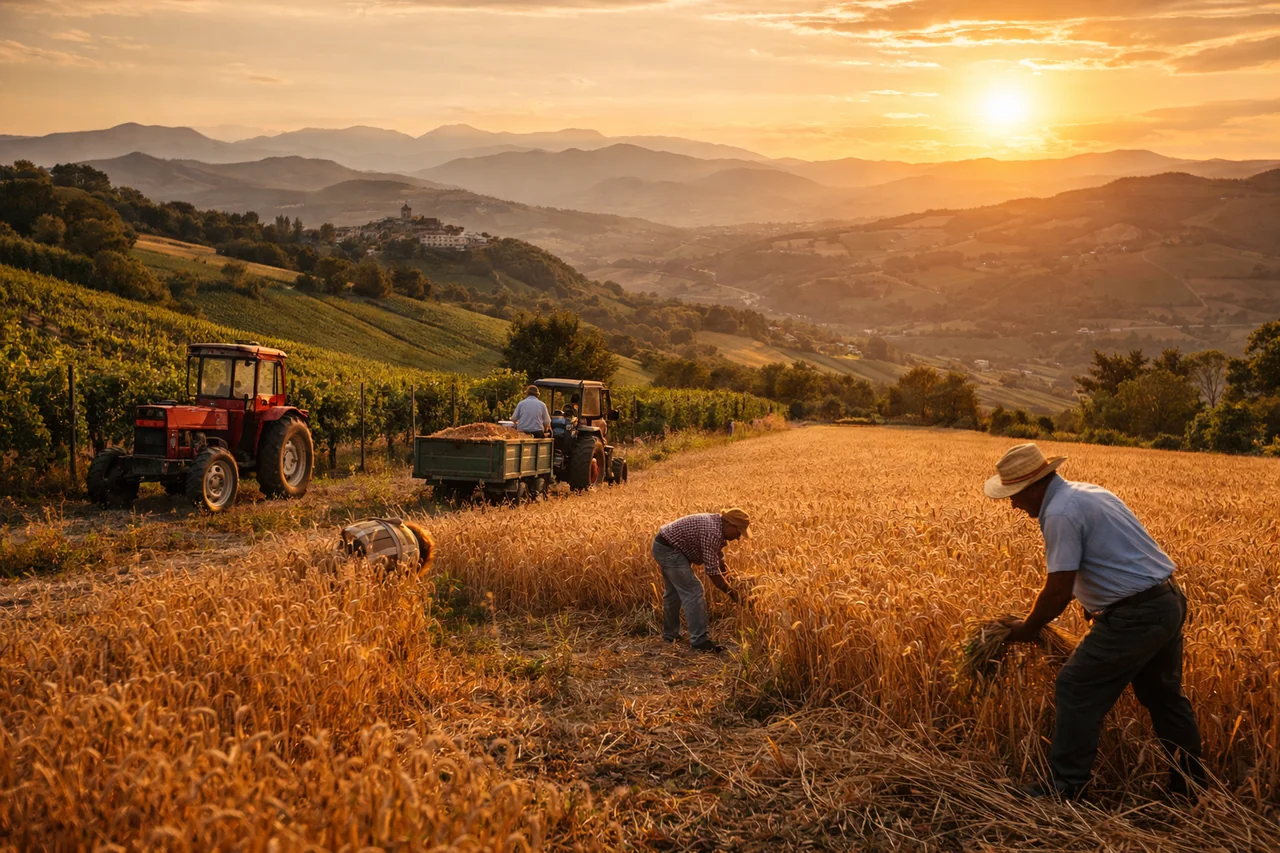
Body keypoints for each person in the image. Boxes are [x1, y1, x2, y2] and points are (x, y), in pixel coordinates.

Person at [985, 442, 1205, 800]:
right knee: (1165, 697)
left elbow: (1059, 589)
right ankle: (1189, 788)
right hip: (1166, 601)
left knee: (1076, 686)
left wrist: (1027, 629)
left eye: (1014, 494)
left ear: (1034, 487)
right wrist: (1098, 602)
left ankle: (1066, 786)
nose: (1012, 503)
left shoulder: (1059, 513)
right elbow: (1106, 563)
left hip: (1137, 615)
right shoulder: (1087, 493)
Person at [652, 508, 749, 653]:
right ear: (731, 525)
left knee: (674, 593)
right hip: (669, 550)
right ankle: (699, 641)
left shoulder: (717, 526)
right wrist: (734, 595)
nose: (738, 538)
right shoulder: (712, 532)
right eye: (738, 532)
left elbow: (719, 563)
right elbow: (713, 572)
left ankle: (670, 635)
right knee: (694, 591)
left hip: (666, 545)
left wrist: (735, 581)